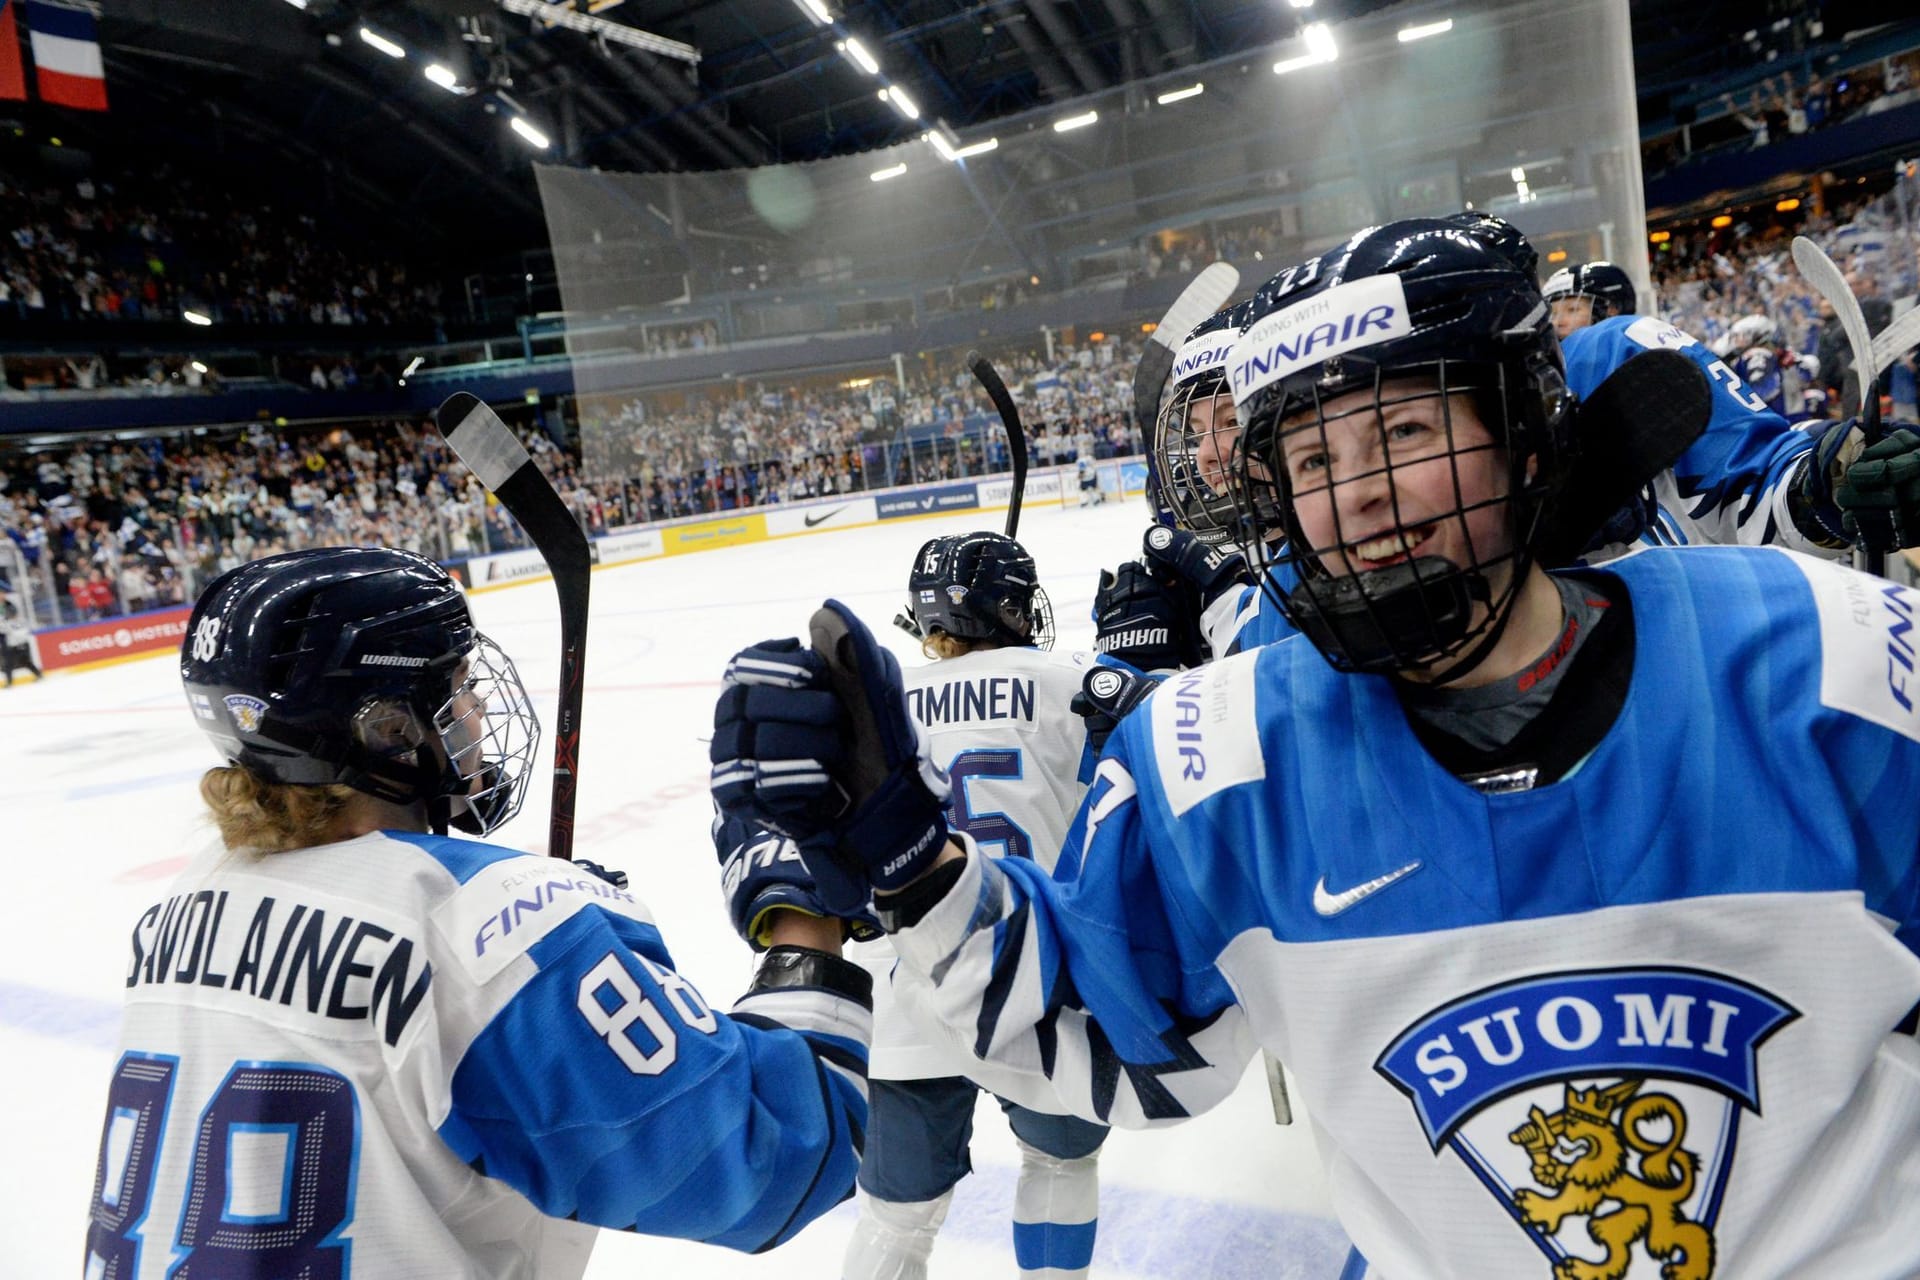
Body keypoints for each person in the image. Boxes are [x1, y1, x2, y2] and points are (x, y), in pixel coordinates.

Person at [711, 219, 1920, 1279]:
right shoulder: (1214, 748)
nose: (1358, 496)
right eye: (1312, 460)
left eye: (1400, 431)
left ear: (1526, 435)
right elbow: (1111, 1039)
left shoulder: (1830, 661)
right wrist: (911, 864)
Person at [87, 547, 871, 1279]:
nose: (476, 706)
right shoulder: (476, 924)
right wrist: (802, 910)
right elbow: (777, 1164)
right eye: (458, 686)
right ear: (388, 730)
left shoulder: (180, 911)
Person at [839, 530, 1112, 1280]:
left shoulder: (879, 704)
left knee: (896, 1221)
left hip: (908, 982)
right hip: (1038, 972)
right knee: (1059, 1167)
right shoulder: (1073, 684)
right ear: (1010, 608)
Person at [1540, 260, 1637, 340]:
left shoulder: (1636, 351)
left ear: (1612, 309)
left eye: (1572, 310)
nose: (1557, 322)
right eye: (1553, 314)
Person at [1, 594, 40, 686]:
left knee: (23, 661)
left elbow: (8, 627)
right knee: (9, 662)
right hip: (12, 643)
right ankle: (9, 682)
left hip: (16, 642)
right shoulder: (14, 619)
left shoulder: (9, 612)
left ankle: (38, 674)